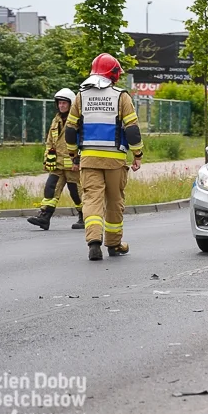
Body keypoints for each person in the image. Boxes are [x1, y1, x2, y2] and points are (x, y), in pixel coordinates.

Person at [65, 53, 144, 261]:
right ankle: (114, 243)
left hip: (89, 159)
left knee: (92, 200)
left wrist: (73, 154)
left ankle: (94, 242)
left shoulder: (81, 96)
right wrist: (138, 154)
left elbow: (71, 130)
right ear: (114, 74)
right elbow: (132, 130)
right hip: (114, 160)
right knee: (114, 201)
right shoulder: (121, 96)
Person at [27, 88, 84, 231]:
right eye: (59, 103)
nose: (61, 106)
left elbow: (82, 141)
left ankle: (84, 217)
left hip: (72, 165)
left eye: (64, 103)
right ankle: (44, 217)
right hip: (57, 165)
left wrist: (78, 160)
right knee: (50, 189)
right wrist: (47, 159)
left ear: (71, 104)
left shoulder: (78, 120)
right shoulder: (56, 120)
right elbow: (50, 142)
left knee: (76, 192)